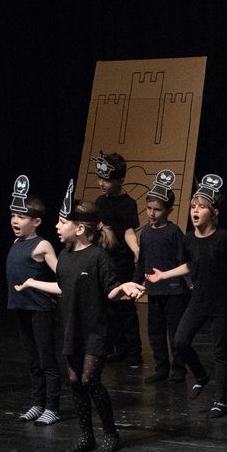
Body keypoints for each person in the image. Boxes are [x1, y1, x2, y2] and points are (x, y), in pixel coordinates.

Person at [16, 181, 144, 452]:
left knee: (89, 381)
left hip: (95, 330)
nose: (56, 226)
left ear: (80, 228)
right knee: (75, 383)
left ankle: (110, 434)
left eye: (62, 222)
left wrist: (124, 287)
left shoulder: (98, 256)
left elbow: (110, 291)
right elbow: (64, 287)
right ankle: (87, 436)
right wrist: (33, 282)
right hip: (71, 329)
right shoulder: (64, 256)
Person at [141, 174, 227, 419]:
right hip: (198, 300)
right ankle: (201, 375)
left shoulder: (224, 237)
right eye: (193, 207)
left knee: (219, 352)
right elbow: (190, 265)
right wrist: (163, 275)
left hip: (221, 302)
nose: (195, 211)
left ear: (214, 213)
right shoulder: (189, 238)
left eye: (201, 207)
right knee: (180, 342)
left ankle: (220, 401)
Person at [4, 176, 63, 425]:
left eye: (22, 216)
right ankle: (38, 403)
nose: (15, 220)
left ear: (36, 221)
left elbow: (62, 273)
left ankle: (52, 408)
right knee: (32, 360)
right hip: (21, 307)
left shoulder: (43, 245)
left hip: (40, 310)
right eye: (13, 215)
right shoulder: (17, 242)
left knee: (47, 359)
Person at [132, 170, 189, 384]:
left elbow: (184, 261)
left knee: (175, 333)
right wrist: (134, 284)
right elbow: (142, 261)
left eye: (157, 209)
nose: (152, 213)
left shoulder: (174, 232)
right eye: (149, 208)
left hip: (174, 291)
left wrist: (190, 285)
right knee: (155, 333)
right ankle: (161, 368)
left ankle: (179, 369)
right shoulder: (146, 233)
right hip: (154, 291)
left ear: (169, 210)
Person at [92, 151, 143, 368]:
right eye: (100, 178)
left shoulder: (127, 203)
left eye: (107, 180)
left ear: (120, 180)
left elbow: (129, 231)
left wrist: (136, 250)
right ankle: (119, 347)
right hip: (103, 261)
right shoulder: (99, 202)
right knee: (109, 308)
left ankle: (134, 351)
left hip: (121, 262)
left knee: (125, 308)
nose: (101, 183)